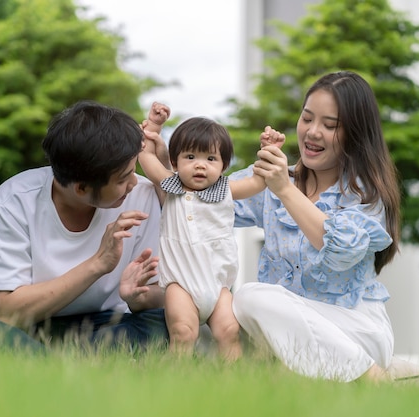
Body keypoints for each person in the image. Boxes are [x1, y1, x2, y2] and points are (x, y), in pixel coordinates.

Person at [0, 100, 168, 352]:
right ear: (81, 188)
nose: (134, 182)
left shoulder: (143, 196)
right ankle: (67, 363)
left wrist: (137, 298)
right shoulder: (13, 201)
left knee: (167, 323)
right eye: (124, 178)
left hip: (103, 325)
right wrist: (98, 264)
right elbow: (9, 313)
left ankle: (36, 360)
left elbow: (155, 296)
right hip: (26, 326)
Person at [230, 71, 402, 382]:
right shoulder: (277, 178)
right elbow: (207, 199)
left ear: (356, 133)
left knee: (251, 297)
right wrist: (162, 169)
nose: (312, 132)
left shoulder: (366, 194)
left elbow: (339, 250)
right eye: (307, 119)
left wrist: (285, 190)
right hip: (291, 332)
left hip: (354, 331)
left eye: (330, 125)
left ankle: (372, 377)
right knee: (229, 311)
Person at [139, 102, 284, 360]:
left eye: (210, 159)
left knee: (229, 331)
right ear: (175, 161)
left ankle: (231, 385)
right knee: (183, 332)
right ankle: (175, 383)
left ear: (224, 165)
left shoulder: (226, 190)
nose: (200, 165)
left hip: (218, 286)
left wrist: (268, 149)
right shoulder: (170, 186)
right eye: (190, 157)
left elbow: (258, 182)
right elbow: (146, 157)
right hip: (181, 284)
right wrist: (154, 125)